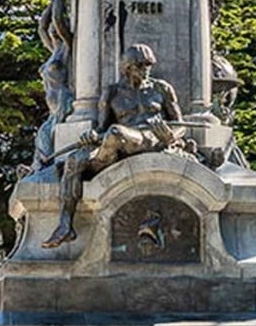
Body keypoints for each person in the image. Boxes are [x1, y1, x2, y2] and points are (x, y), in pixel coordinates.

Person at [42, 43, 184, 249]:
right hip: (117, 142)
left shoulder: (161, 88)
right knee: (74, 160)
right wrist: (92, 135)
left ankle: (103, 156)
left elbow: (180, 125)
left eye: (148, 65)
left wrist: (170, 136)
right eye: (140, 65)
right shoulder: (112, 93)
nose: (146, 70)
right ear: (127, 67)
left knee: (116, 134)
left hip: (150, 139)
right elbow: (102, 128)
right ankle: (65, 225)